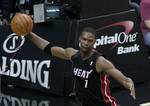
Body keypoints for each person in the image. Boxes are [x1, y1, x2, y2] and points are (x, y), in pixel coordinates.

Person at [26, 27, 136, 106]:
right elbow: (49, 48)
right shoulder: (72, 54)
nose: (86, 43)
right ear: (79, 39)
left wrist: (129, 84)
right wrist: (29, 34)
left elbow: (124, 79)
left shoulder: (100, 61)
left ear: (94, 42)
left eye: (90, 41)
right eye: (84, 39)